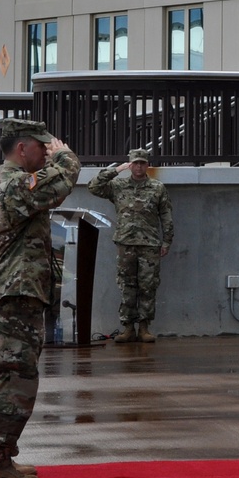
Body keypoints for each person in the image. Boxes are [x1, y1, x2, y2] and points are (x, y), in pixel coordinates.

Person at [0, 118, 80, 478]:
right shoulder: (16, 185)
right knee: (15, 380)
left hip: (4, 294)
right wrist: (64, 154)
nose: (45, 152)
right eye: (41, 145)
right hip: (14, 296)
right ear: (23, 148)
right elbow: (62, 180)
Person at [88, 147, 174, 343]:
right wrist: (116, 170)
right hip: (126, 243)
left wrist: (167, 241)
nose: (139, 167)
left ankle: (144, 327)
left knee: (148, 286)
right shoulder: (118, 186)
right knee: (127, 285)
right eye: (135, 163)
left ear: (147, 165)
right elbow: (93, 186)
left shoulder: (157, 188)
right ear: (130, 165)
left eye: (142, 163)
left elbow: (166, 216)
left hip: (149, 244)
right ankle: (128, 327)